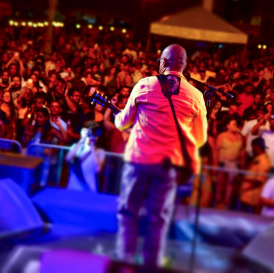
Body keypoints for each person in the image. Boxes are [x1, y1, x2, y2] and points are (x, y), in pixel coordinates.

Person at [114, 44, 207, 266]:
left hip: (139, 160)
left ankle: (124, 261)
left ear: (163, 62)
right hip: (168, 166)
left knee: (129, 211)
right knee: (158, 219)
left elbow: (123, 122)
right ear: (184, 65)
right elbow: (200, 138)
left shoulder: (145, 85)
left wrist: (120, 119)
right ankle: (150, 264)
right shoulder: (195, 95)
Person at [65, 121, 106, 192]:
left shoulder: (100, 152)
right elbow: (67, 159)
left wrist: (92, 147)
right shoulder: (76, 147)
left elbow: (97, 169)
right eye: (89, 132)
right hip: (72, 187)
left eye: (94, 132)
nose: (91, 135)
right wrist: (82, 140)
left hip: (89, 189)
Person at [238, 137, 271, 213]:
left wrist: (244, 188)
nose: (252, 149)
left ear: (255, 147)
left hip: (251, 200)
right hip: (246, 197)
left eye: (252, 147)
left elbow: (259, 181)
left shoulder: (263, 161)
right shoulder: (258, 158)